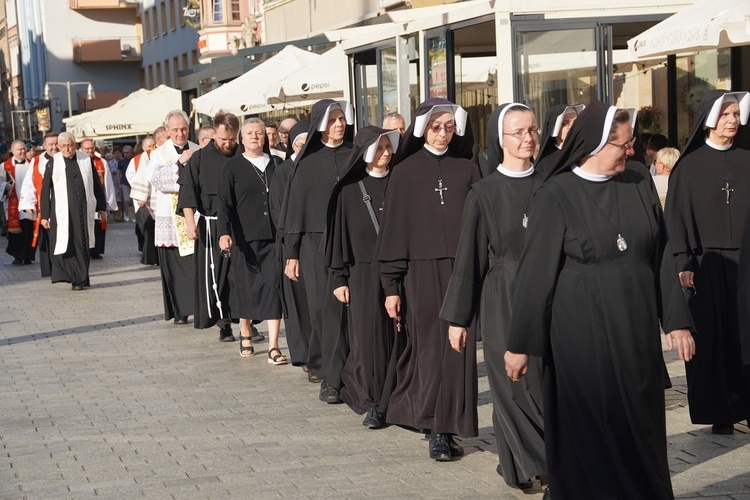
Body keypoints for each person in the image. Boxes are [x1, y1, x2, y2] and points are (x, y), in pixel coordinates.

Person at [505, 101, 695, 499]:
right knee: (591, 430)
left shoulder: (639, 180)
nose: (630, 151)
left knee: (640, 427)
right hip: (580, 335)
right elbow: (535, 275)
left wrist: (676, 320)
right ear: (593, 145)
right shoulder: (555, 194)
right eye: (623, 145)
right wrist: (520, 346)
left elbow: (661, 253)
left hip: (635, 328)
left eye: (631, 144)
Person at [440, 103, 546, 487]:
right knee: (512, 385)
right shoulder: (483, 193)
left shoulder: (552, 183)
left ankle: (521, 465)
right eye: (517, 132)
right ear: (500, 139)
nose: (527, 138)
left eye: (532, 130)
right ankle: (544, 468)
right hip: (502, 296)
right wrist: (458, 319)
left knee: (543, 384)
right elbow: (468, 260)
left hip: (547, 294)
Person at [376, 98, 481, 461]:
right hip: (420, 273)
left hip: (462, 271)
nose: (442, 133)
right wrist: (391, 286)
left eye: (449, 127)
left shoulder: (467, 170)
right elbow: (393, 232)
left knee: (460, 351)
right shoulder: (404, 173)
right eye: (436, 127)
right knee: (431, 349)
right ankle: (435, 424)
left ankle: (448, 426)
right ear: (423, 128)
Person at [665, 90, 750, 434]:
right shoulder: (688, 167)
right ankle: (720, 411)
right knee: (712, 339)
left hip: (746, 262)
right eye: (725, 114)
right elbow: (677, 219)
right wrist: (683, 262)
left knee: (746, 335)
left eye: (735, 114)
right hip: (705, 264)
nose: (732, 120)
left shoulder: (747, 160)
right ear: (710, 119)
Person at [279, 100, 354, 402]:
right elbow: (295, 211)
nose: (339, 124)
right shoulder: (306, 163)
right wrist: (291, 254)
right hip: (314, 244)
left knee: (351, 310)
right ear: (320, 124)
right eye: (333, 120)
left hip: (350, 242)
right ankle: (325, 372)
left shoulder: (354, 156)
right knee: (323, 310)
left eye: (342, 119)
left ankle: (349, 370)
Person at [325, 126, 400, 428]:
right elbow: (339, 239)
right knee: (369, 339)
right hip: (362, 272)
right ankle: (372, 401)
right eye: (380, 148)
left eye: (388, 148)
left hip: (398, 269)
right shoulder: (348, 190)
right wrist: (339, 279)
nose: (385, 153)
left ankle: (397, 398)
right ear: (367, 152)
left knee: (399, 336)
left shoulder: (400, 184)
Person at [218, 118, 285, 362]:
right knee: (247, 288)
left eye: (259, 133)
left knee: (274, 288)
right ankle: (245, 331)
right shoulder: (232, 166)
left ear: (265, 138)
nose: (255, 136)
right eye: (249, 133)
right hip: (244, 238)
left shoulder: (276, 163)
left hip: (274, 236)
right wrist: (223, 232)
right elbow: (224, 202)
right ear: (241, 139)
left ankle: (274, 345)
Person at [177, 111, 240, 342]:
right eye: (224, 139)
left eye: (232, 139)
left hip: (240, 226)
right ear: (214, 133)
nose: (228, 144)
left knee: (240, 276)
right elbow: (187, 192)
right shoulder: (199, 159)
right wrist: (191, 223)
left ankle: (246, 320)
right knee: (218, 277)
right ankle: (224, 323)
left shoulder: (242, 155)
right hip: (211, 225)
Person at [146, 110, 197, 324]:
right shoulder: (158, 154)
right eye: (175, 130)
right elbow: (156, 179)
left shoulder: (197, 149)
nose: (180, 133)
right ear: (167, 131)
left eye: (183, 129)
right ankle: (180, 311)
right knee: (175, 269)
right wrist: (179, 164)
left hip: (194, 218)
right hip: (170, 217)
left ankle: (198, 307)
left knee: (194, 267)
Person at [270, 120, 313, 373]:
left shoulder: (317, 167)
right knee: (297, 303)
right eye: (300, 142)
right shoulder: (283, 171)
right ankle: (304, 353)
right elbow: (278, 212)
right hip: (291, 245)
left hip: (318, 243)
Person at [40, 132, 106, 290]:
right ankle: (74, 277)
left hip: (83, 210)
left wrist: (102, 207)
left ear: (75, 145)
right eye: (63, 146)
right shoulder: (53, 162)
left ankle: (82, 279)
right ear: (59, 147)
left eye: (69, 145)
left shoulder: (85, 159)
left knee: (82, 244)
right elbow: (45, 190)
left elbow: (96, 184)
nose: (67, 149)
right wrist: (45, 215)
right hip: (62, 212)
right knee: (66, 244)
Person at [18, 131, 59, 276]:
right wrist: (28, 203)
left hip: (63, 204)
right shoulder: (37, 160)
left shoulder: (68, 158)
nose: (54, 147)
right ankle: (48, 269)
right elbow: (29, 182)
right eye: (50, 144)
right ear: (45, 145)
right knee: (46, 238)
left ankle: (62, 268)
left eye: (56, 144)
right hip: (44, 205)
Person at [131, 130, 165, 266]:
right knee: (153, 228)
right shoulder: (149, 153)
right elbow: (143, 173)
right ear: (158, 139)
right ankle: (154, 257)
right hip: (154, 194)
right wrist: (142, 196)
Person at [80, 139, 117, 259]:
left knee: (97, 224)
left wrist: (109, 201)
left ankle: (96, 250)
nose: (90, 151)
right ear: (81, 148)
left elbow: (108, 182)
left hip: (97, 198)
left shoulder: (101, 162)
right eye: (87, 149)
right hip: (83, 199)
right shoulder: (78, 160)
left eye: (92, 148)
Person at [3, 140, 36, 264]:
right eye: (19, 149)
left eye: (24, 149)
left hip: (28, 203)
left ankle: (27, 256)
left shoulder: (32, 164)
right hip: (13, 203)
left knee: (28, 230)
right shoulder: (4, 166)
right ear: (12, 151)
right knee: (16, 232)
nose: (22, 151)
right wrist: (6, 187)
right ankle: (17, 255)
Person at [536, 104, 584, 170]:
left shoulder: (586, 154)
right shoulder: (545, 163)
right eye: (566, 123)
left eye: (575, 122)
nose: (572, 127)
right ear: (555, 128)